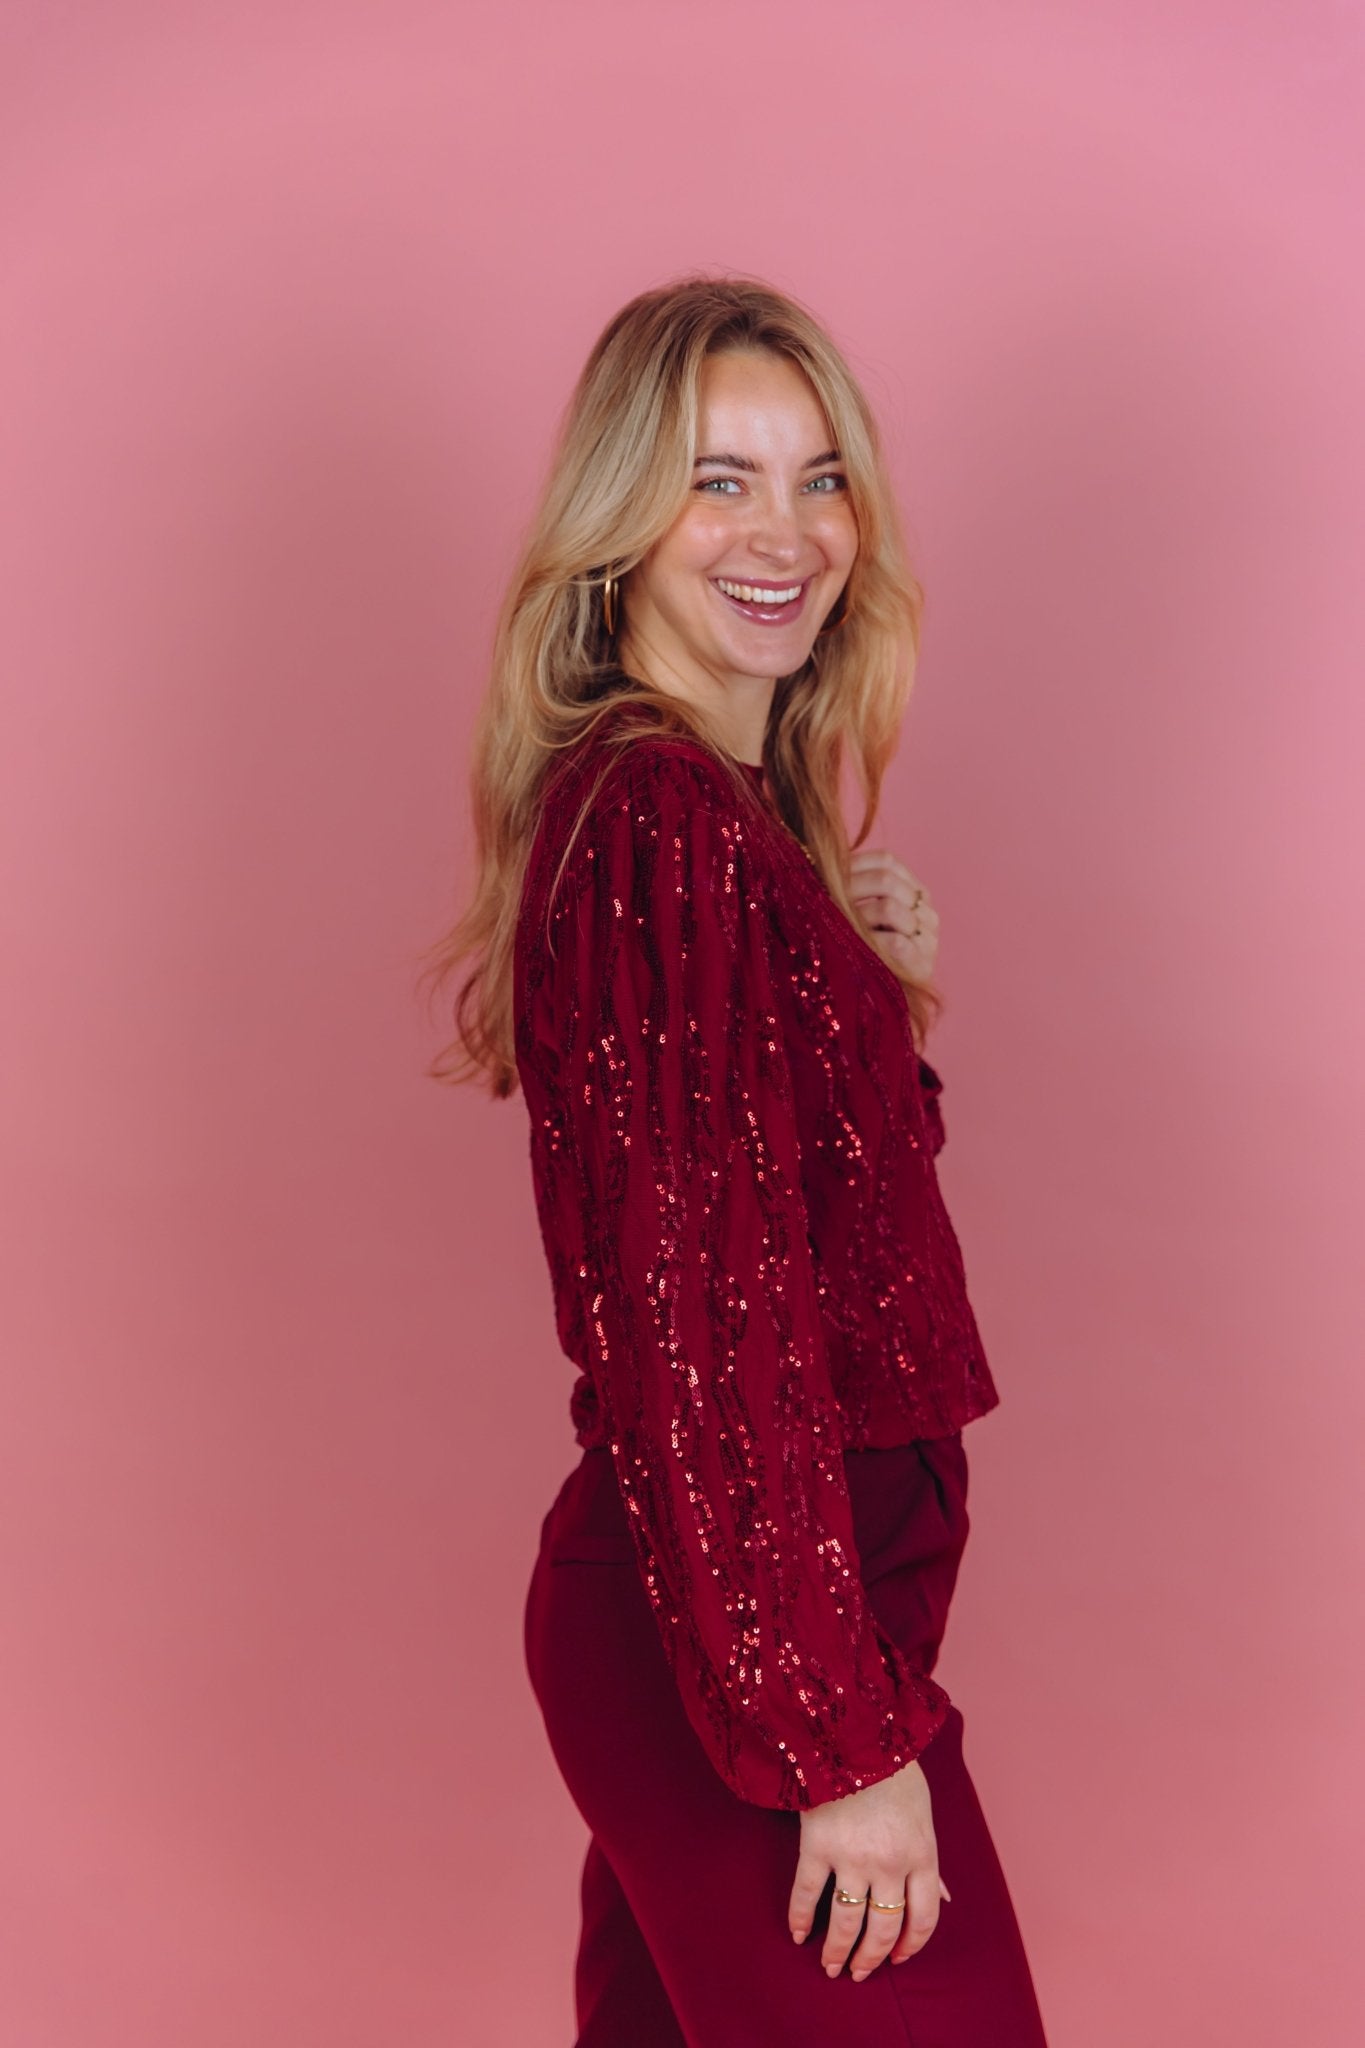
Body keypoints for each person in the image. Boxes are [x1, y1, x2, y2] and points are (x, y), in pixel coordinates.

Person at [422, 274, 1048, 2046]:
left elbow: (800, 1214)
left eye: (820, 477)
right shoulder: (661, 826)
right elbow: (707, 1329)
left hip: (747, 1606)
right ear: (619, 525)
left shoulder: (710, 826)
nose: (788, 534)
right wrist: (834, 1746)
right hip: (748, 1630)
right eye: (718, 481)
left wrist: (858, 984)